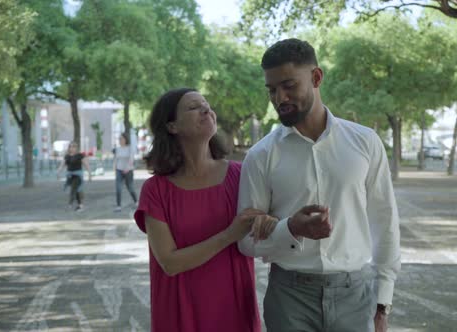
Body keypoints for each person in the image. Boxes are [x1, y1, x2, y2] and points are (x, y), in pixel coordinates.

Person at [238, 38, 401, 332]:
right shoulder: (260, 155)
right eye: (272, 90)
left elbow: (385, 222)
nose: (279, 98)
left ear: (316, 77)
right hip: (289, 298)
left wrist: (382, 302)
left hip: (357, 296)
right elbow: (246, 240)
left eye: (288, 85)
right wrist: (290, 228)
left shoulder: (365, 142)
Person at [133, 88, 264, 332]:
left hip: (233, 309)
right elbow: (170, 262)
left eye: (206, 104)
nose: (206, 110)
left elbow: (268, 227)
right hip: (179, 313)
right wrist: (229, 235)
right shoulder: (155, 190)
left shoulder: (241, 174)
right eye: (194, 107)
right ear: (172, 126)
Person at [56, 141, 92, 212]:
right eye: (71, 146)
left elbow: (87, 165)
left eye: (74, 146)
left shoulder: (80, 155)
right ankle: (80, 205)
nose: (72, 148)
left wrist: (89, 175)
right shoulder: (67, 156)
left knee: (74, 188)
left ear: (77, 148)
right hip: (70, 176)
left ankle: (71, 203)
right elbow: (62, 165)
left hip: (78, 175)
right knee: (77, 190)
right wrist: (58, 173)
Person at [113, 133, 137, 212]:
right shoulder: (118, 149)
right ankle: (118, 206)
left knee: (130, 187)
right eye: (119, 139)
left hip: (128, 170)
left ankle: (136, 201)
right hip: (119, 170)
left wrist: (127, 168)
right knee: (118, 188)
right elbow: (116, 159)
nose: (120, 140)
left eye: (121, 139)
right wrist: (115, 169)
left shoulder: (129, 148)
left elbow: (131, 159)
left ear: (125, 139)